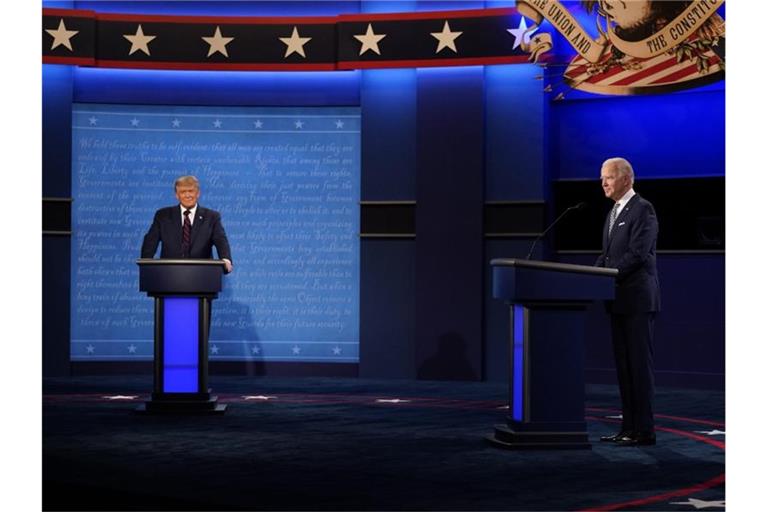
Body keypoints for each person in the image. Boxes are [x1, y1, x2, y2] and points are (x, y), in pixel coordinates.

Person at [595, 157, 660, 446]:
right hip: (617, 301)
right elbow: (607, 255)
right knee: (623, 368)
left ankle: (644, 430)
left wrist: (606, 273)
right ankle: (627, 428)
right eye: (602, 178)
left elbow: (637, 254)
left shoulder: (643, 209)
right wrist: (590, 275)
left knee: (638, 367)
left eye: (608, 177)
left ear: (626, 179)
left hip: (636, 300)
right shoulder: (612, 213)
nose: (604, 183)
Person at [141, 175, 233, 273]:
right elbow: (150, 242)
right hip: (169, 275)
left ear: (198, 193)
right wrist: (145, 264)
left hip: (203, 276)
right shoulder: (163, 216)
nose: (187, 195)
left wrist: (225, 259)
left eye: (191, 191)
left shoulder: (211, 217)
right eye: (183, 192)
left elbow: (221, 240)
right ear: (177, 195)